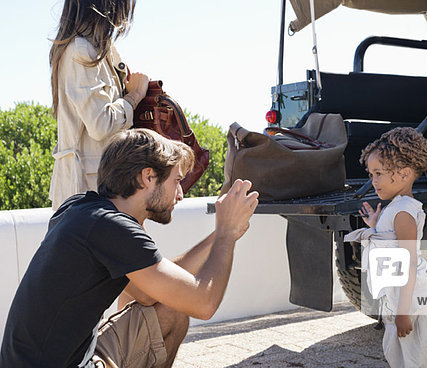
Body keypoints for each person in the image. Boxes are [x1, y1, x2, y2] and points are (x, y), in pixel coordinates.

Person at [0, 128, 259, 368]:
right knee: (179, 307)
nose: (180, 194)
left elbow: (147, 295)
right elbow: (203, 303)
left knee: (169, 310)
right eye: (176, 181)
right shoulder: (112, 227)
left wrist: (220, 233)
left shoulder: (80, 209)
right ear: (148, 177)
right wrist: (226, 234)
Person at [49, 0, 150, 210]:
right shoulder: (80, 50)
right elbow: (101, 124)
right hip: (86, 194)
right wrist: (134, 96)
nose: (126, 8)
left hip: (100, 192)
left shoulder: (99, 50)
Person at [344, 127, 427, 368]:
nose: (373, 181)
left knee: (412, 358)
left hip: (406, 300)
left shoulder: (403, 213)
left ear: (404, 173)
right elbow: (392, 243)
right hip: (397, 297)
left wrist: (403, 313)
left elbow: (408, 263)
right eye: (371, 174)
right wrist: (377, 225)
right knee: (396, 354)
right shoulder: (396, 209)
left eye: (379, 173)